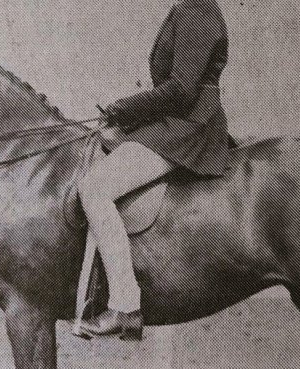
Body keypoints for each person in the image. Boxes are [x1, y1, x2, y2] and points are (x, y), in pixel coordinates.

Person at [78, 0, 230, 340]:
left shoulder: (198, 9)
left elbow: (182, 90)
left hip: (189, 127)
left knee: (95, 189)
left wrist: (126, 107)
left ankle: (125, 305)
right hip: (174, 120)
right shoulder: (188, 8)